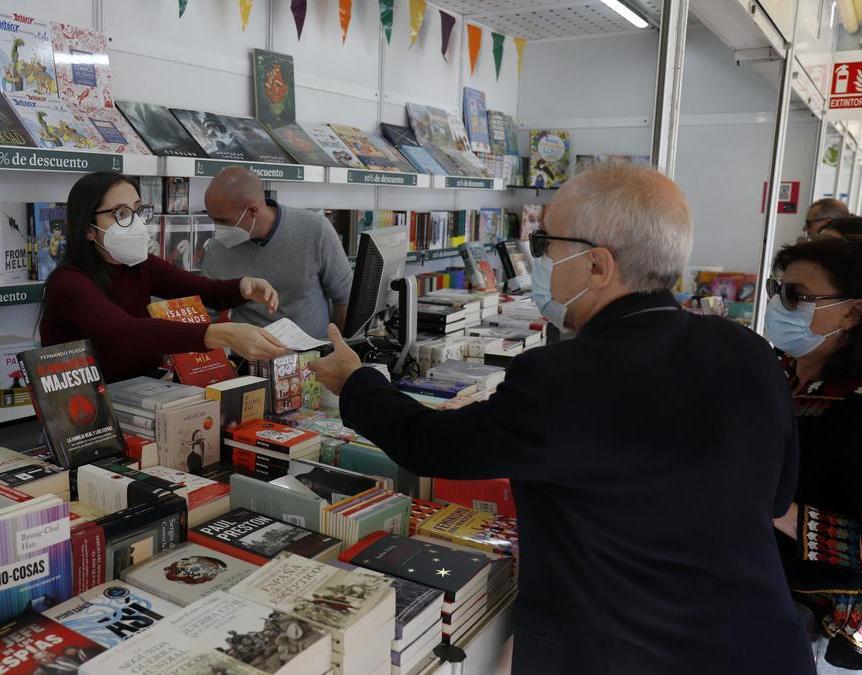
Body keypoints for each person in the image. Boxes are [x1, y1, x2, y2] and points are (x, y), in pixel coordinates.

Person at [309, 162, 814, 674]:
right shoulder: (749, 350)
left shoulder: (565, 376)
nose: (538, 258)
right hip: (761, 645)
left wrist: (357, 380)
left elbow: (429, 444)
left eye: (545, 242)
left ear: (597, 266)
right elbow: (775, 497)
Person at [766, 235, 862, 673]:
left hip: (818, 623)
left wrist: (779, 511)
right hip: (745, 592)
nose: (780, 305)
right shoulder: (776, 372)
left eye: (796, 296)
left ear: (854, 311)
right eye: (777, 290)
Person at [39, 172, 289, 382]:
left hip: (138, 392)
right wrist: (224, 334)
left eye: (137, 211)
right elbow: (124, 334)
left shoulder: (141, 265)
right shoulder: (68, 282)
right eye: (120, 213)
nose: (136, 223)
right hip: (86, 414)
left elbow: (206, 291)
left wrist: (243, 287)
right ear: (88, 230)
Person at [201, 166, 352, 339]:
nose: (218, 228)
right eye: (213, 219)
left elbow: (345, 298)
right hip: (250, 359)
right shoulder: (217, 248)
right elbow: (206, 310)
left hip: (314, 357)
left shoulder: (316, 230)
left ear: (253, 210)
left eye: (224, 221)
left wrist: (337, 350)